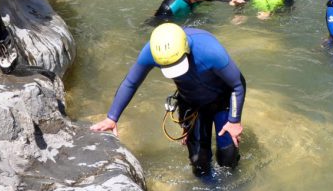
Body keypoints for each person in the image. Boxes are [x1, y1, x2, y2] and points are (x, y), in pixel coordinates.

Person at [90, 23, 245, 176]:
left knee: (228, 160)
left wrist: (234, 120)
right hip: (192, 102)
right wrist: (112, 117)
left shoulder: (210, 51)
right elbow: (131, 83)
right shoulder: (151, 51)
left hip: (223, 100)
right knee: (199, 165)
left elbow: (238, 84)